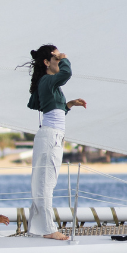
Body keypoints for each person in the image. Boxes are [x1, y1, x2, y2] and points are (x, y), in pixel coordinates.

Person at [26, 44, 87, 240]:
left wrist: (69, 104)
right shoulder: (47, 80)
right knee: (45, 184)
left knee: (43, 183)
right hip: (50, 137)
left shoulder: (49, 84)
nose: (60, 62)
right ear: (47, 62)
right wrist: (65, 58)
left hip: (51, 135)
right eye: (56, 59)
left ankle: (38, 228)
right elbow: (67, 74)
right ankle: (48, 230)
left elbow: (52, 110)